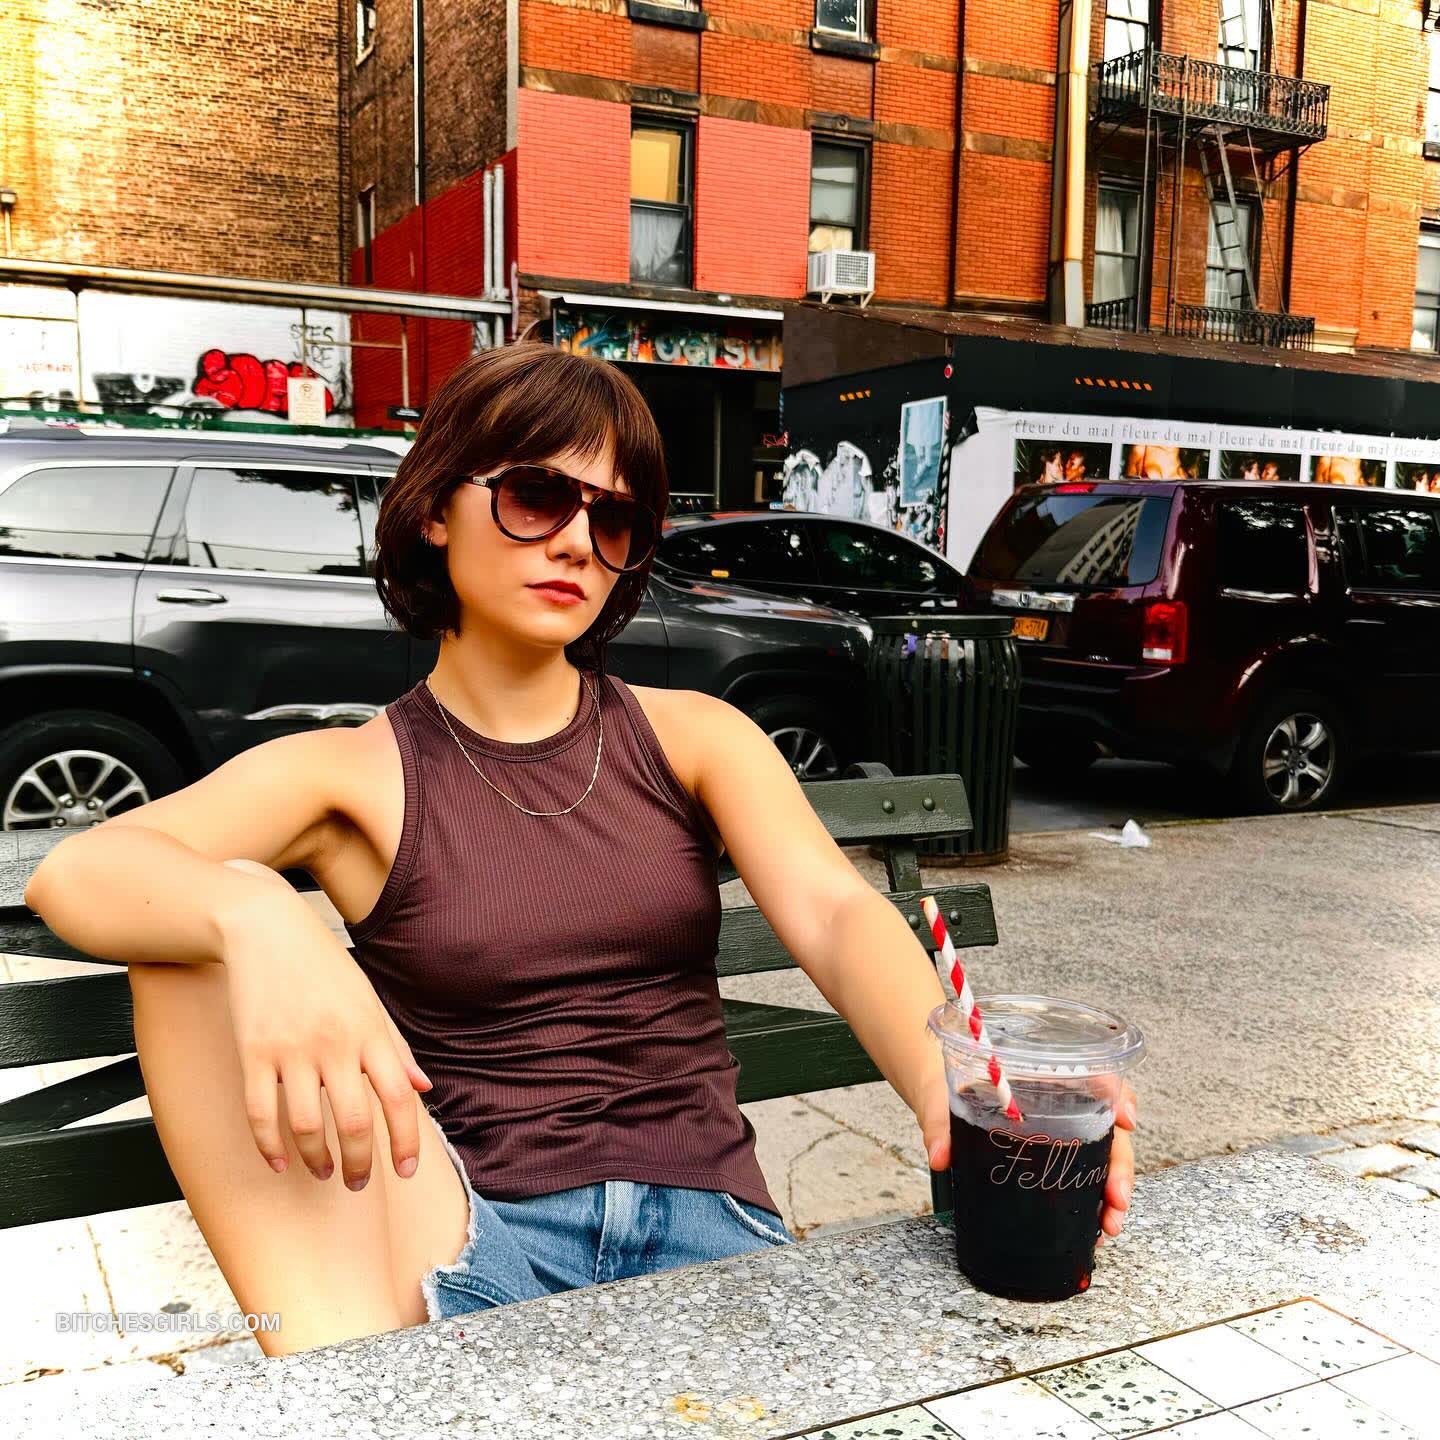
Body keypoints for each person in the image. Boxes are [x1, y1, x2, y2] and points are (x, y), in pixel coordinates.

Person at [24, 342, 1141, 1357]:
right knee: (188, 941)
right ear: (434, 510)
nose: (574, 540)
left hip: (713, 1227)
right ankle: (351, 1383)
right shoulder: (347, 774)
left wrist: (971, 1093)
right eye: (535, 494)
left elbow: (837, 914)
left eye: (615, 520)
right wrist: (259, 915)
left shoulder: (696, 737)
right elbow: (78, 874)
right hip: (472, 1235)